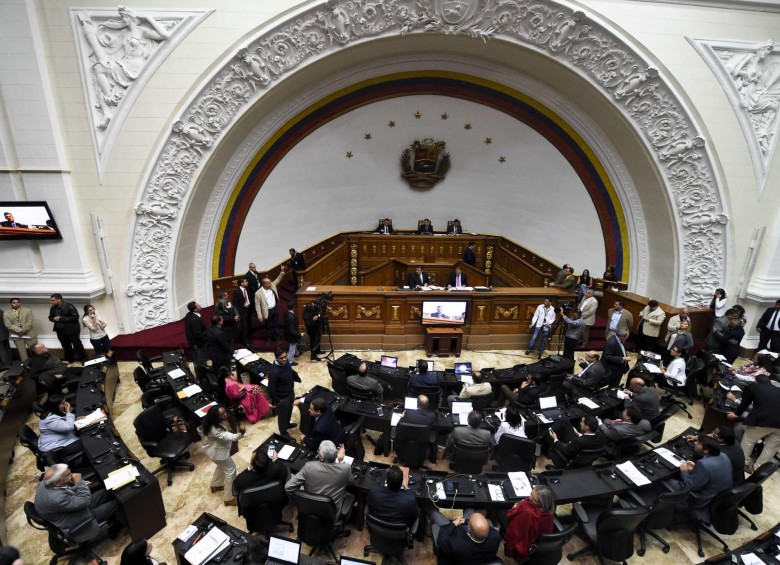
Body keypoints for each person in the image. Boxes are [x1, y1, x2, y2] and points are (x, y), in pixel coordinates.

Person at [34, 463, 122, 543]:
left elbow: (63, 490)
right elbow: (85, 501)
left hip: (69, 510)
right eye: (68, 475)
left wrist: (77, 485)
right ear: (56, 483)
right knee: (118, 503)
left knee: (107, 491)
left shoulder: (46, 482)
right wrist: (79, 483)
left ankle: (115, 518)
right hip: (79, 520)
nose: (72, 475)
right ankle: (120, 524)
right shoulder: (57, 499)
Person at [285, 440, 354, 521]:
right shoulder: (345, 468)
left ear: (321, 457)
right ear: (336, 454)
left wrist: (301, 500)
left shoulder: (309, 467)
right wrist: (341, 461)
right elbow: (350, 483)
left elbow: (288, 487)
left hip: (309, 511)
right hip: (331, 516)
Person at [726, 372, 780, 473]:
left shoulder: (755, 386)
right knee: (771, 448)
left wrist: (737, 414)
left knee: (749, 440)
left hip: (763, 420)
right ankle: (759, 469)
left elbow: (745, 403)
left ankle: (744, 463)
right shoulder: (777, 389)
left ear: (757, 381)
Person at [670, 435, 732, 522]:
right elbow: (712, 472)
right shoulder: (724, 456)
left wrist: (684, 471)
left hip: (701, 501)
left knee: (670, 482)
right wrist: (695, 468)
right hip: (716, 497)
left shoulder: (704, 465)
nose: (695, 443)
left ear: (706, 450)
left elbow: (691, 486)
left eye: (698, 443)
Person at [198, 404, 246, 506]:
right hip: (217, 453)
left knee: (222, 467)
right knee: (230, 470)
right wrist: (242, 432)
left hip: (215, 449)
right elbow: (233, 437)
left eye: (225, 412)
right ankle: (229, 498)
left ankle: (216, 485)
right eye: (223, 414)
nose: (226, 415)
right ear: (216, 417)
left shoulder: (213, 421)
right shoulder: (215, 430)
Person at [503, 485, 555, 562]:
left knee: (501, 512)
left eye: (534, 499)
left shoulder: (529, 514)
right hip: (539, 543)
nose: (530, 498)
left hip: (527, 544)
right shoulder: (549, 512)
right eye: (531, 494)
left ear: (542, 503)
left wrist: (515, 509)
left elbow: (515, 532)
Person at [429, 509, 500, 565]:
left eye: (468, 524)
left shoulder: (455, 544)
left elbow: (442, 540)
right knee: (470, 510)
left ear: (468, 529)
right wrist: (466, 521)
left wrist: (453, 523)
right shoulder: (496, 536)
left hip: (457, 558)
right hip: (480, 559)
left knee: (434, 513)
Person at [267, 347, 301, 436]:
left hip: (290, 393)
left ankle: (287, 424)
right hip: (282, 398)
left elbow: (290, 370)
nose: (284, 359)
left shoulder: (286, 363)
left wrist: (296, 377)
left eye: (285, 356)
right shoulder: (274, 372)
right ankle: (284, 433)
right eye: (281, 358)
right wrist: (278, 401)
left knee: (289, 411)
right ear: (276, 358)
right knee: (282, 417)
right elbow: (271, 388)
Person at [254, 266, 286, 346]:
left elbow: (278, 280)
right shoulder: (258, 293)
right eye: (269, 283)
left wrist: (282, 271)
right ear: (265, 284)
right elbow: (257, 305)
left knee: (276, 325)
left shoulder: (272, 286)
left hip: (274, 309)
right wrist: (259, 315)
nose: (271, 283)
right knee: (268, 327)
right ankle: (268, 340)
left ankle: (277, 339)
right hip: (267, 311)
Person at [48, 293, 86, 362]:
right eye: (51, 300)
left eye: (53, 300)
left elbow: (76, 317)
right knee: (65, 345)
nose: (51, 302)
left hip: (72, 329)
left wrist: (61, 318)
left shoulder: (69, 306)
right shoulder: (52, 308)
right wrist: (53, 319)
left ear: (59, 299)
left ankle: (84, 359)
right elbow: (50, 317)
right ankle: (70, 359)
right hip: (60, 330)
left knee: (77, 344)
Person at [4, 297, 36, 362]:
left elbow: (30, 321)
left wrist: (25, 329)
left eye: (18, 302)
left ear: (20, 303)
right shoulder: (6, 313)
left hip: (29, 334)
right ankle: (26, 365)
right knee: (22, 353)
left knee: (35, 351)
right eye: (14, 303)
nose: (16, 304)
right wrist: (19, 330)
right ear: (10, 304)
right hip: (17, 335)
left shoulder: (28, 311)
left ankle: (37, 364)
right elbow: (8, 325)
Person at [183, 301, 207, 366]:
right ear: (195, 309)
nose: (199, 305)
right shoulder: (195, 319)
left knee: (197, 361)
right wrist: (205, 340)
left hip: (193, 343)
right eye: (198, 305)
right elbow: (198, 334)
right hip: (199, 344)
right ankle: (202, 375)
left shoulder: (188, 315)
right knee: (201, 362)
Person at [232, 278, 252, 346]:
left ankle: (248, 337)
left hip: (248, 309)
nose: (247, 282)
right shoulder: (236, 292)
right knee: (244, 326)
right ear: (241, 283)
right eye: (245, 281)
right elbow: (235, 304)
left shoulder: (247, 289)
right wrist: (238, 314)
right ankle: (245, 340)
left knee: (249, 324)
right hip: (242, 311)